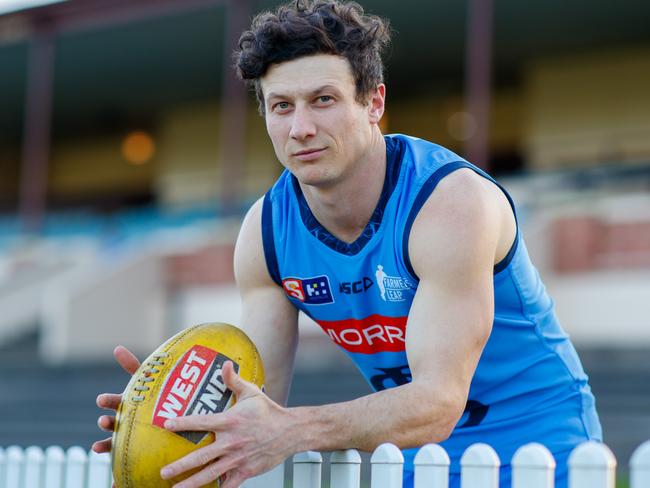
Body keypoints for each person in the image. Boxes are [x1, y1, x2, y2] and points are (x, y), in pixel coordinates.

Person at [93, 1, 602, 487]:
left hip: (545, 452)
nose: (301, 128)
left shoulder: (450, 203)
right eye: (281, 107)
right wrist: (170, 416)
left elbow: (438, 402)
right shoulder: (265, 233)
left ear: (374, 102)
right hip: (416, 459)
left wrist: (293, 430)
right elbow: (258, 397)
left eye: (323, 100)